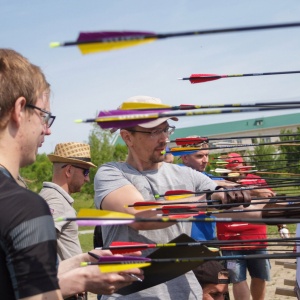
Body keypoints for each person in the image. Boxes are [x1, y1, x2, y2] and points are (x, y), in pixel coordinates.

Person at [0, 48, 143, 300]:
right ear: (19, 110)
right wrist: (82, 279)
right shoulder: (23, 207)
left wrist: (82, 262)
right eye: (44, 116)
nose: (47, 130)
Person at [94, 95, 254, 300]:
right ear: (128, 137)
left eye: (166, 129)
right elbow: (142, 216)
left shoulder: (187, 175)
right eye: (154, 131)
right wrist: (206, 200)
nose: (164, 138)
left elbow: (244, 206)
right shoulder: (112, 173)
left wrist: (242, 198)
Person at [216, 153, 274, 300]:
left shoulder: (258, 180)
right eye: (231, 167)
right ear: (225, 168)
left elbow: (271, 204)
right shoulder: (217, 183)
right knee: (237, 278)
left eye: (238, 166)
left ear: (244, 166)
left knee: (260, 276)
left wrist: (281, 225)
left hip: (257, 238)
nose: (236, 169)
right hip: (229, 241)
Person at [40, 142, 96, 261]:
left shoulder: (49, 196)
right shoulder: (56, 201)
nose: (87, 179)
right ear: (69, 170)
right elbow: (37, 240)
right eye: (86, 172)